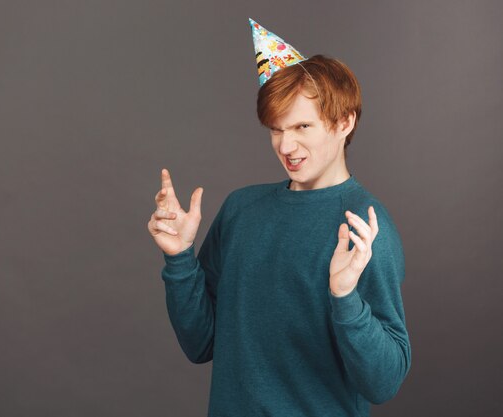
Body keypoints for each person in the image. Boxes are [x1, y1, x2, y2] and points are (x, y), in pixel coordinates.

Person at [146, 18, 411, 417]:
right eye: (276, 130)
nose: (287, 145)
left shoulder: (365, 226)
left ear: (344, 123)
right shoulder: (241, 210)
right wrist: (180, 257)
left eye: (303, 126)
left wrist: (345, 297)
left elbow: (383, 382)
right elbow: (200, 344)